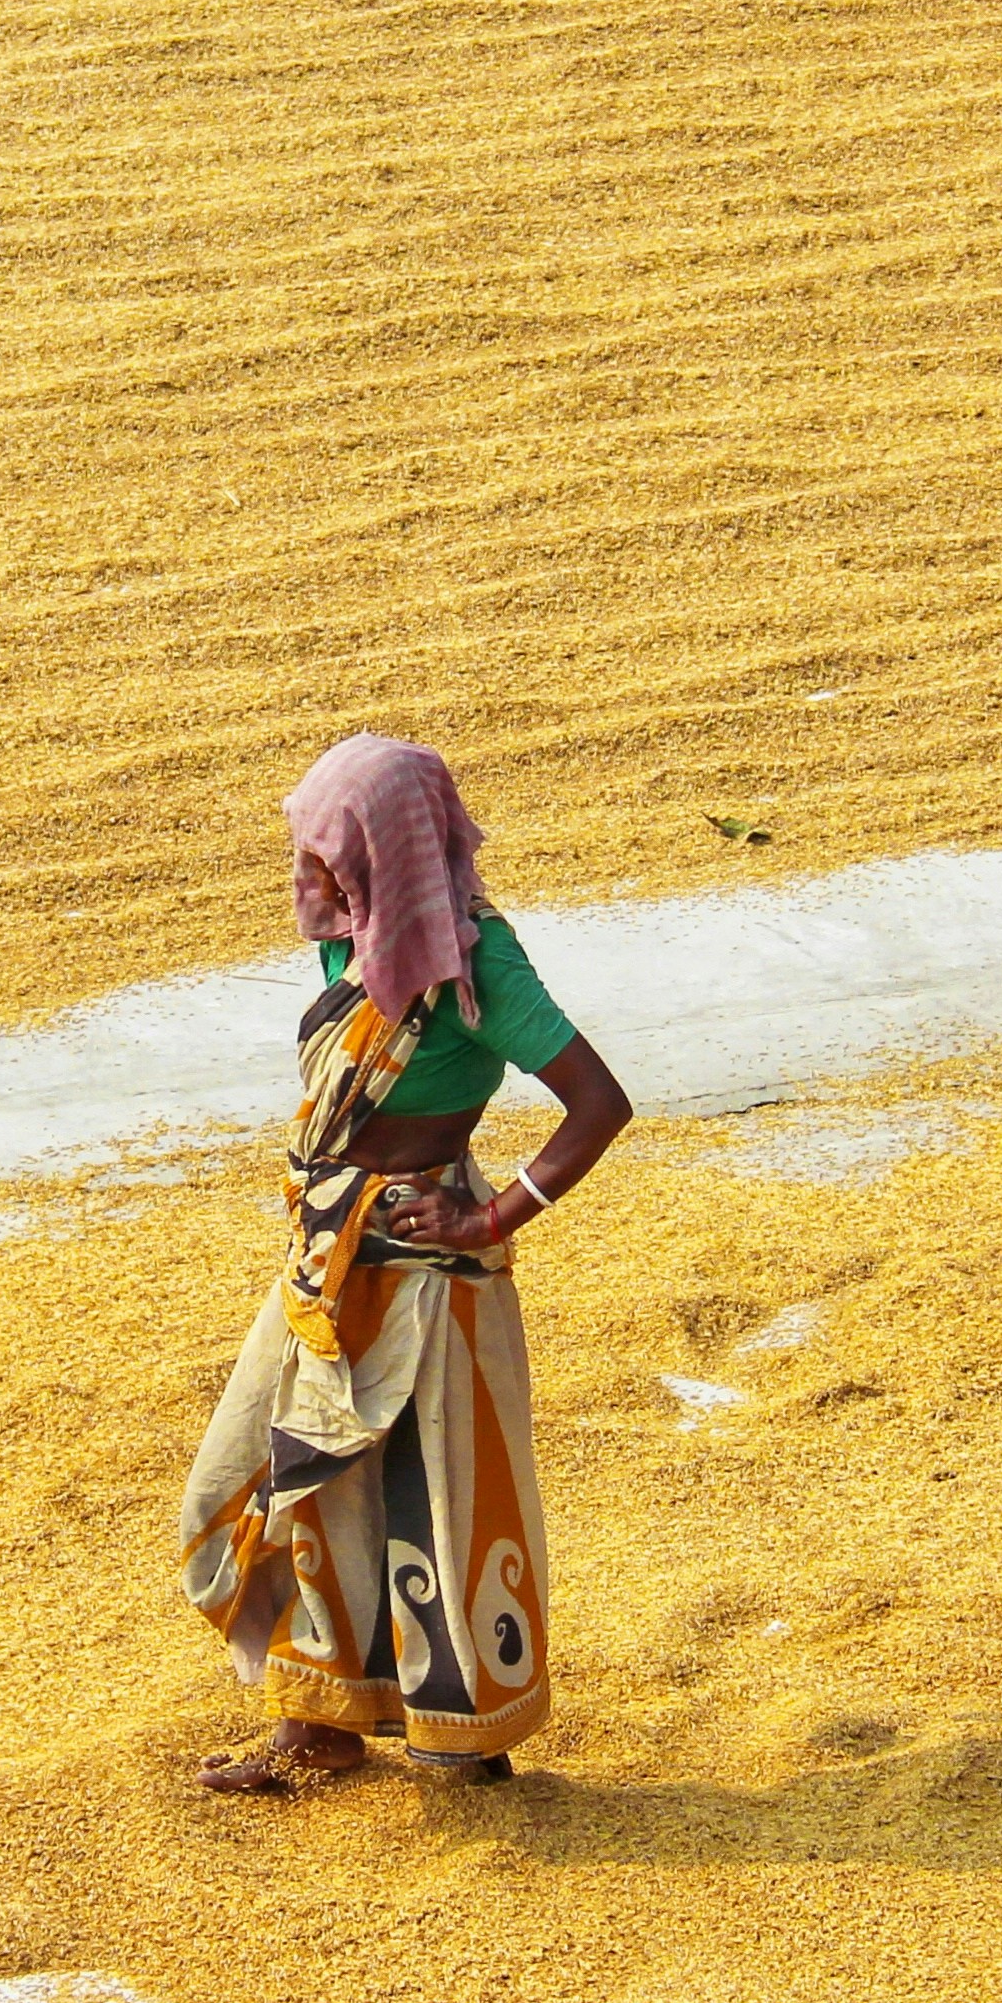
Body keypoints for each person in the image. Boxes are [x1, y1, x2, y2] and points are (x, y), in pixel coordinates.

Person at [179, 734, 635, 1794]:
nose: (302, 877)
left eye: (323, 855)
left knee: (432, 1502)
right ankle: (321, 1726)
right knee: (279, 1483)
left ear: (382, 855)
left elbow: (599, 1105)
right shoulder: (353, 942)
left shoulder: (482, 966)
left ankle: (463, 1749)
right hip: (329, 1259)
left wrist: (494, 1217)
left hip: (428, 1276)